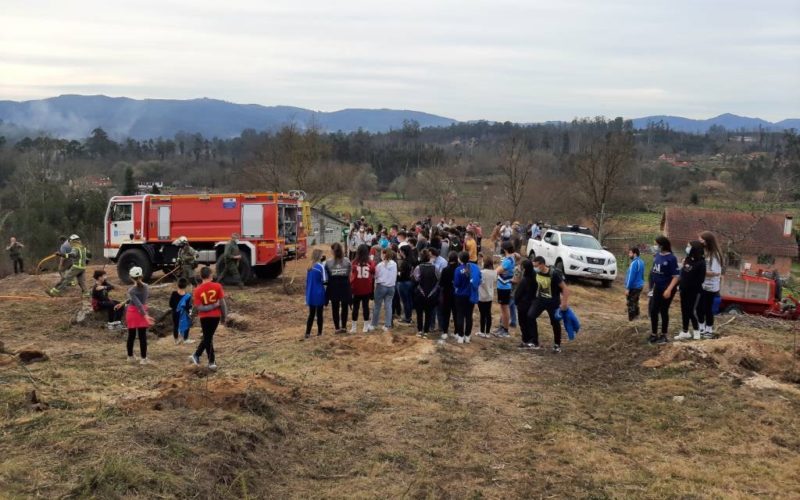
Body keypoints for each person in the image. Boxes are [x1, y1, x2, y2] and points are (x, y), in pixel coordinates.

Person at [529, 256, 570, 353]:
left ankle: (557, 345)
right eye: (533, 266)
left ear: (542, 264)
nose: (534, 268)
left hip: (553, 302)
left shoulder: (553, 274)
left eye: (536, 266)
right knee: (530, 316)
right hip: (540, 300)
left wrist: (564, 303)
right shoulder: (536, 272)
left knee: (555, 322)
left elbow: (565, 289)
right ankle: (534, 341)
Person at [190, 266, 227, 370]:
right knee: (208, 337)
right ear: (211, 275)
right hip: (216, 316)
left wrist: (209, 307)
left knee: (207, 337)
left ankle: (197, 355)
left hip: (204, 317)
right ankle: (211, 361)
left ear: (201, 277)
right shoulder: (218, 286)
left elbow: (199, 307)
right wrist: (224, 317)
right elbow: (222, 304)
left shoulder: (197, 290)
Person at [648, 236, 680, 345]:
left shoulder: (671, 258)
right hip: (657, 287)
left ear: (662, 245)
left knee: (663, 310)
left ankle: (664, 335)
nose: (655, 246)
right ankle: (653, 334)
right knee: (653, 310)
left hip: (667, 288)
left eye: (656, 244)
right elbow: (654, 271)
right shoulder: (657, 255)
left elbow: (676, 276)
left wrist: (669, 289)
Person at [675, 241, 706, 341]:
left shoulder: (701, 262)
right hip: (684, 290)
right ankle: (685, 332)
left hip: (694, 291)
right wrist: (679, 285)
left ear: (694, 248)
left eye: (689, 246)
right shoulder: (687, 259)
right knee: (684, 310)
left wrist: (690, 282)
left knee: (691, 311)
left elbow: (701, 279)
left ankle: (697, 331)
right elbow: (683, 273)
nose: (687, 247)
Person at [125, 266, 154, 364]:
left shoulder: (131, 290)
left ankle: (130, 356)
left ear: (131, 277)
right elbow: (141, 303)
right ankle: (143, 358)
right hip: (142, 312)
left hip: (132, 313)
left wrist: (145, 315)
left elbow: (137, 303)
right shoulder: (146, 286)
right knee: (142, 336)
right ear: (142, 275)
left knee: (131, 336)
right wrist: (145, 315)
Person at [699, 231, 723, 339]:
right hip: (702, 284)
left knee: (707, 308)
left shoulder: (715, 255)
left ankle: (709, 330)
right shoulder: (704, 252)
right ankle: (701, 328)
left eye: (702, 240)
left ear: (707, 241)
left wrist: (699, 271)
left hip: (710, 287)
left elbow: (715, 273)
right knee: (699, 308)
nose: (700, 242)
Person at [453, 251, 481, 344]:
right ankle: (467, 336)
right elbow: (479, 279)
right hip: (471, 295)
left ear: (460, 259)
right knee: (469, 316)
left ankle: (460, 336)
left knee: (460, 315)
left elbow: (456, 284)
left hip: (460, 295)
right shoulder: (474, 267)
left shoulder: (458, 270)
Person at [413, 249, 440, 338]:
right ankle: (426, 332)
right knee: (429, 313)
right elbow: (439, 279)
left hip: (420, 294)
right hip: (431, 294)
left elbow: (416, 279)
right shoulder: (435, 268)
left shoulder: (418, 268)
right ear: (429, 257)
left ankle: (420, 330)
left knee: (419, 314)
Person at [325, 242, 352, 334]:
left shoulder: (328, 262)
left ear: (333, 251)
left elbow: (327, 275)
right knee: (345, 307)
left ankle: (337, 328)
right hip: (345, 285)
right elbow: (349, 273)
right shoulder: (347, 261)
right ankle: (344, 327)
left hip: (334, 286)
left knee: (335, 307)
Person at [368, 248, 397, 332]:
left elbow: (376, 276)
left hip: (381, 287)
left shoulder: (380, 265)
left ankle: (373, 324)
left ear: (383, 254)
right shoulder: (394, 264)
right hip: (391, 287)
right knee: (388, 306)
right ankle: (387, 325)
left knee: (377, 306)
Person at [350, 244, 376, 333]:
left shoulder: (354, 261)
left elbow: (352, 272)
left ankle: (354, 327)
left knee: (355, 308)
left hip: (356, 288)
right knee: (366, 307)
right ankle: (365, 326)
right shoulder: (370, 261)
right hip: (366, 288)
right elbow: (373, 270)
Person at [514, 259, 538, 348]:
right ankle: (531, 339)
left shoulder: (525, 280)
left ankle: (528, 339)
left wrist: (516, 301)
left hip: (523, 304)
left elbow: (518, 293)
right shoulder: (535, 276)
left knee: (523, 323)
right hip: (532, 303)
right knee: (530, 322)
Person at [493, 241, 515, 337]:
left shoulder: (508, 260)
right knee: (503, 308)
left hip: (504, 287)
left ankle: (505, 330)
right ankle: (502, 327)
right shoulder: (510, 257)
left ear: (505, 249)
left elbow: (496, 271)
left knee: (505, 309)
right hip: (503, 286)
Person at [304, 249, 327, 339]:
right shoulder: (320, 267)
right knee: (319, 314)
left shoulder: (309, 267)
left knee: (311, 314)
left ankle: (307, 333)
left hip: (310, 292)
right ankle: (319, 333)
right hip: (319, 293)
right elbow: (325, 281)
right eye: (321, 255)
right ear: (319, 256)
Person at [438, 251, 459, 340]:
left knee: (446, 314)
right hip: (457, 294)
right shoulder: (459, 269)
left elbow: (441, 283)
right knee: (456, 314)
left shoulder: (446, 269)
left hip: (446, 294)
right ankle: (457, 332)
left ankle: (445, 331)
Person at [477, 255, 497, 338]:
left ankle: (482, 331)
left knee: (482, 314)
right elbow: (494, 281)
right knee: (488, 313)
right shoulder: (494, 273)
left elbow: (479, 282)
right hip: (490, 295)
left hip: (481, 296)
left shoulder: (481, 273)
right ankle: (487, 333)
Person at [170, 278, 194, 345]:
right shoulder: (188, 296)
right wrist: (190, 312)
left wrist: (176, 308)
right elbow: (188, 306)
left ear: (178, 285)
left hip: (175, 313)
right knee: (187, 324)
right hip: (183, 314)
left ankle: (176, 340)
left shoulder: (174, 293)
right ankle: (185, 339)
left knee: (176, 325)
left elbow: (170, 304)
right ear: (186, 286)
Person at [625, 247, 646, 321]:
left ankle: (631, 320)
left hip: (633, 287)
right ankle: (637, 318)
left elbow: (631, 276)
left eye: (630, 253)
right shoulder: (642, 262)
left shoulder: (634, 263)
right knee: (635, 302)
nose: (629, 254)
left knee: (631, 303)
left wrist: (628, 288)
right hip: (639, 286)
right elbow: (642, 275)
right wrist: (642, 282)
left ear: (635, 254)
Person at [396, 245, 415, 325]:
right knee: (409, 300)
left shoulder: (405, 262)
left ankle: (407, 318)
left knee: (405, 301)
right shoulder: (413, 260)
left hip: (403, 283)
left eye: (400, 251)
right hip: (410, 282)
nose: (399, 252)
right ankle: (409, 317)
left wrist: (398, 273)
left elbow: (401, 274)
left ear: (403, 252)